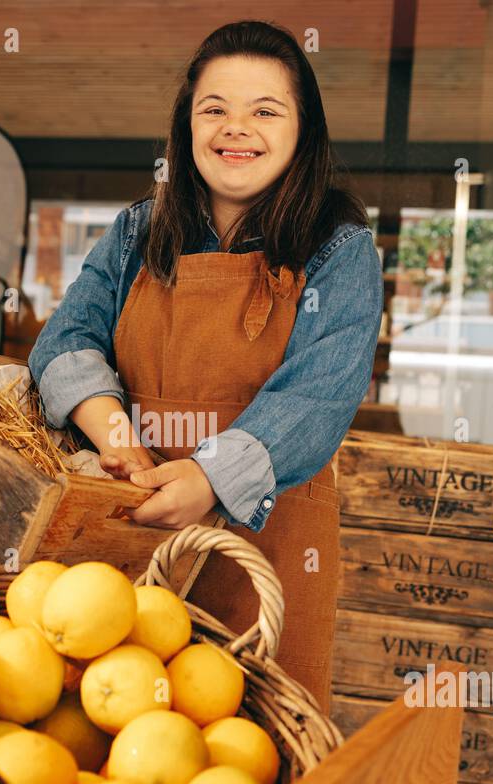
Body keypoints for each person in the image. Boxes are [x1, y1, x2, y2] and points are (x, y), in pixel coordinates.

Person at [29, 20, 383, 705]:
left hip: (267, 547)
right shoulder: (137, 231)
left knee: (248, 748)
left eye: (264, 111)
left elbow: (318, 396)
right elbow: (65, 339)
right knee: (117, 727)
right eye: (214, 109)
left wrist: (206, 477)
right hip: (126, 529)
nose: (235, 128)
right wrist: (121, 443)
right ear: (186, 125)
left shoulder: (340, 249)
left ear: (303, 130)